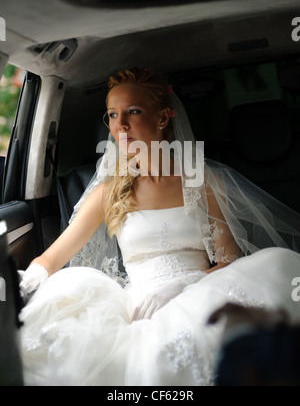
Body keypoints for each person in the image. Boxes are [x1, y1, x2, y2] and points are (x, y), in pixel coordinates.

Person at [19, 67, 300, 386]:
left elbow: (229, 260)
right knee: (69, 291)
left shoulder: (202, 182)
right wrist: (29, 280)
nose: (119, 124)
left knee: (278, 264)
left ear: (164, 117)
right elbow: (53, 258)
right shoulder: (108, 192)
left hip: (203, 290)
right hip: (139, 303)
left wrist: (184, 284)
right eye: (112, 114)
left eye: (133, 112)